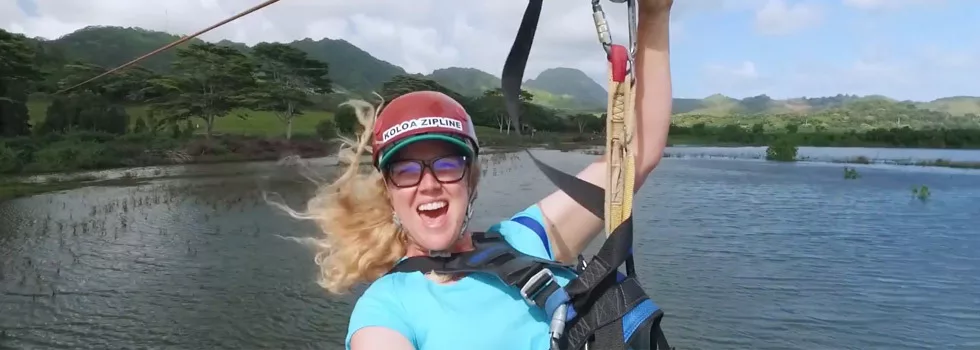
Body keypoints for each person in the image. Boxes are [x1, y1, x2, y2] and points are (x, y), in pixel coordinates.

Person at [301, 1, 674, 349]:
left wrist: (655, 15)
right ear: (389, 191)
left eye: (447, 165)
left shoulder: (526, 237)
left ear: (472, 179)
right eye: (407, 171)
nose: (428, 184)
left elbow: (636, 154)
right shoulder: (386, 308)